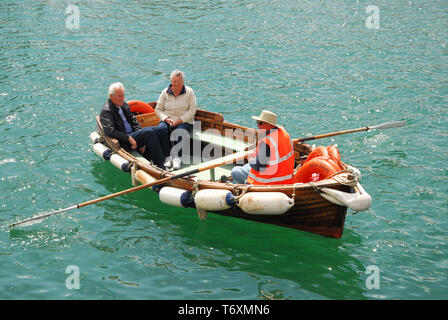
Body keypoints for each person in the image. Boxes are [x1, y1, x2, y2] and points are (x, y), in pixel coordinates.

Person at [100, 82, 166, 168]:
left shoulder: (124, 105)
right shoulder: (107, 111)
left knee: (161, 129)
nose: (122, 98)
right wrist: (129, 138)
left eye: (123, 95)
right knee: (148, 133)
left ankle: (166, 157)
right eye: (119, 96)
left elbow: (134, 122)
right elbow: (110, 131)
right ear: (111, 97)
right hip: (124, 139)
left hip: (133, 135)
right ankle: (161, 166)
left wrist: (140, 136)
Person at [231, 110, 295, 185]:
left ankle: (239, 188)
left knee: (235, 171)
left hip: (270, 181)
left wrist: (249, 157)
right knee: (246, 166)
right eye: (257, 122)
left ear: (270, 125)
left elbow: (258, 166)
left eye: (260, 123)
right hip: (286, 177)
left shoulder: (267, 142)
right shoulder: (283, 133)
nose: (258, 125)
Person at [155, 70, 197, 170]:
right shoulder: (165, 92)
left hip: (185, 121)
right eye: (174, 81)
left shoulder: (189, 92)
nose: (176, 84)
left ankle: (177, 158)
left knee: (180, 131)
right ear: (171, 82)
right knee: (161, 130)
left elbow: (192, 110)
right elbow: (158, 109)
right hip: (168, 120)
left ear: (183, 82)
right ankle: (166, 157)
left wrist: (180, 120)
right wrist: (165, 118)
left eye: (178, 81)